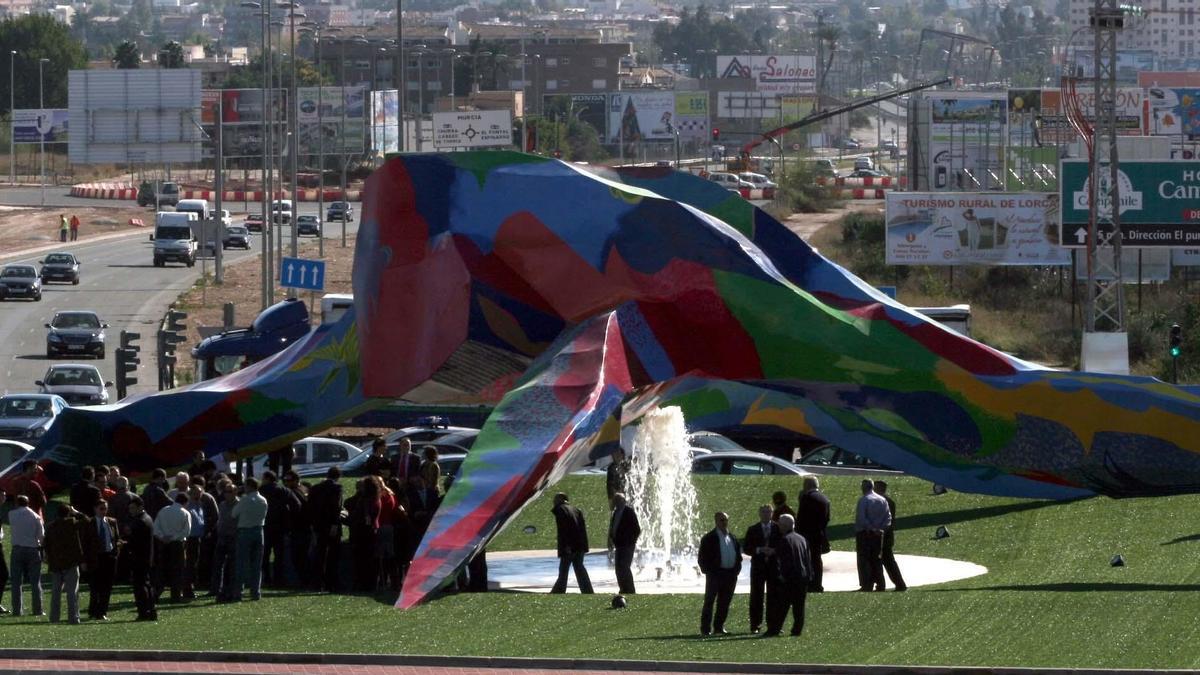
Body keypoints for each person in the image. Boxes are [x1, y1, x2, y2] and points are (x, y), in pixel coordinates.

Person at [765, 514, 813, 637]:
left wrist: (782, 576)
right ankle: (797, 630)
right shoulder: (801, 539)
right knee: (799, 606)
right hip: (803, 577)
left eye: (780, 524)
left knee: (782, 605)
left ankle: (774, 630)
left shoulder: (785, 540)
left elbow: (786, 560)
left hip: (791, 577)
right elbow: (807, 558)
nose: (779, 526)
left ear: (785, 525)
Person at [698, 512, 741, 636]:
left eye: (726, 520)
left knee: (724, 602)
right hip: (715, 574)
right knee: (710, 601)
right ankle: (705, 629)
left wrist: (736, 570)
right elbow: (702, 558)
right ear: (716, 521)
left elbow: (738, 556)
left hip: (730, 575)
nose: (724, 522)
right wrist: (708, 571)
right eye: (722, 520)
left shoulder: (732, 537)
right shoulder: (709, 538)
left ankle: (719, 627)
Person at [44, 505, 84, 624]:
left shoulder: (50, 526)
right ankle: (73, 617)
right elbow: (87, 521)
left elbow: (47, 545)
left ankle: (54, 617)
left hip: (56, 563)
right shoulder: (72, 523)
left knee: (56, 593)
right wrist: (76, 512)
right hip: (71, 562)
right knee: (72, 593)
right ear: (68, 514)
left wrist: (49, 559)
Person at [259, 470, 300, 587]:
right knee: (279, 555)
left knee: (265, 555)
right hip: (281, 527)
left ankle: (266, 578)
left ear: (267, 479)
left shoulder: (262, 491)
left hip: (265, 526)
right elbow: (297, 505)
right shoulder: (285, 490)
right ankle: (278, 579)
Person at [82, 499, 122, 621]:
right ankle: (93, 610)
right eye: (101, 508)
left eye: (105, 508)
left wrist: (117, 549)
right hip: (95, 557)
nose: (104, 511)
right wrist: (83, 561)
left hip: (109, 557)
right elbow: (84, 543)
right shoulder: (89, 523)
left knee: (107, 586)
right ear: (95, 509)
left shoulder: (111, 522)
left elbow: (116, 538)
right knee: (95, 586)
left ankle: (102, 611)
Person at [742, 504, 779, 633]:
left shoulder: (778, 528)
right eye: (763, 512)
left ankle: (773, 625)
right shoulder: (753, 529)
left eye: (768, 512)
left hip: (773, 567)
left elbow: (784, 545)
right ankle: (755, 625)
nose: (765, 514)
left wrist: (774, 551)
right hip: (758, 567)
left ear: (772, 513)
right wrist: (759, 550)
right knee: (756, 596)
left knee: (773, 596)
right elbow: (746, 548)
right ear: (759, 514)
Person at [232, 477, 268, 601]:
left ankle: (238, 591)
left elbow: (234, 513)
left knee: (241, 562)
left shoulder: (245, 499)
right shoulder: (263, 500)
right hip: (259, 530)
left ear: (250, 486)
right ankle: (255, 591)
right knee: (256, 564)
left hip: (245, 530)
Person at [307, 467, 343, 592]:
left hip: (318, 525)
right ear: (338, 476)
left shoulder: (316, 488)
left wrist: (313, 523)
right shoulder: (337, 488)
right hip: (331, 525)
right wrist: (334, 524)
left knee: (319, 554)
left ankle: (317, 583)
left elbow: (310, 506)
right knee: (333, 556)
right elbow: (336, 507)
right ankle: (331, 583)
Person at [121, 496, 157, 620]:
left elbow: (136, 541)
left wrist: (125, 544)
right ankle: (151, 610)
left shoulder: (139, 521)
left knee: (140, 586)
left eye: (133, 508)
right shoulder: (147, 518)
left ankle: (144, 612)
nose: (130, 510)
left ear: (140, 507)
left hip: (139, 558)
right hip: (146, 557)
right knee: (146, 585)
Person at [152, 492, 192, 603]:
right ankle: (175, 595)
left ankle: (156, 593)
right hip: (177, 544)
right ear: (185, 502)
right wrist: (174, 537)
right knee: (177, 570)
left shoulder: (163, 510)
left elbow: (155, 528)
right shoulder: (185, 513)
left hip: (163, 543)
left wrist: (163, 537)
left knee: (162, 569)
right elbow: (186, 532)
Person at [550, 493, 593, 594]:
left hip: (569, 546)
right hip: (579, 545)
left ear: (560, 499)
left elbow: (563, 529)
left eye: (555, 499)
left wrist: (566, 545)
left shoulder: (560, 509)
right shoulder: (576, 510)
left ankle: (558, 591)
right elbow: (582, 529)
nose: (554, 502)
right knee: (579, 568)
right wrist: (584, 547)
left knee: (563, 570)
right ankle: (587, 591)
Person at [9, 494, 45, 617]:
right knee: (35, 582)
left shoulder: (11, 514)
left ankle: (17, 610)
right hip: (32, 549)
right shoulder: (35, 517)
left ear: (17, 503)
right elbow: (41, 536)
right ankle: (38, 609)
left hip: (17, 549)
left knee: (16, 582)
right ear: (28, 503)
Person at [855, 478, 891, 592]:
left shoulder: (864, 500)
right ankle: (881, 584)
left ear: (864, 488)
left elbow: (861, 518)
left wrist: (871, 528)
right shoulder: (882, 500)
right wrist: (880, 529)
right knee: (877, 559)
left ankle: (867, 584)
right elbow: (888, 517)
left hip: (865, 534)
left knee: (864, 560)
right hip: (879, 534)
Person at [796, 476, 831, 592]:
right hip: (819, 534)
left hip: (806, 535)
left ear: (807, 485)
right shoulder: (825, 499)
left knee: (807, 561)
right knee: (817, 560)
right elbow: (827, 519)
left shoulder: (806, 497)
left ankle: (809, 583)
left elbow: (801, 518)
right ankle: (817, 584)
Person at [875, 481, 907, 592]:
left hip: (882, 535)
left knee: (884, 560)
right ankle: (898, 583)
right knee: (888, 561)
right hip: (888, 536)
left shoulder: (880, 501)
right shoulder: (890, 501)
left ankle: (882, 585)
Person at [608, 492, 640, 595]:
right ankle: (623, 588)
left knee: (625, 567)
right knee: (618, 568)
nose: (616, 503)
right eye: (615, 501)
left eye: (618, 500)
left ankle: (630, 589)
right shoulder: (616, 512)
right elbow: (613, 527)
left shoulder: (628, 512)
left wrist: (631, 541)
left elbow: (637, 529)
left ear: (623, 501)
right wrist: (611, 538)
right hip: (619, 544)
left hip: (627, 545)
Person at [211, 480, 239, 600]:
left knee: (232, 566)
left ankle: (230, 589)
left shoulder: (239, 504)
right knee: (217, 564)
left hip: (233, 537)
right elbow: (220, 519)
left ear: (235, 492)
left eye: (230, 491)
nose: (227, 494)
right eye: (226, 492)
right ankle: (215, 589)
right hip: (222, 537)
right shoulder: (222, 505)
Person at [283, 471, 311, 589]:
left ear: (295, 480)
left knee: (298, 557)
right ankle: (305, 580)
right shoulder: (304, 489)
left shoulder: (292, 492)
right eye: (285, 481)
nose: (286, 483)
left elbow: (294, 509)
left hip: (298, 528)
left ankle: (302, 581)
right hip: (306, 527)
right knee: (303, 556)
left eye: (288, 481)